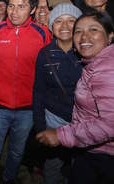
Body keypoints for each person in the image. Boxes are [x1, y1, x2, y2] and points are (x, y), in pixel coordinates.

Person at [0, 0, 51, 184]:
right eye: (11, 6)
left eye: (21, 6)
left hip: (28, 110)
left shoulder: (43, 34)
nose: (14, 11)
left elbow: (47, 70)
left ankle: (9, 178)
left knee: (17, 152)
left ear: (33, 10)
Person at [36, 11, 114, 184]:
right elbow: (39, 91)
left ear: (110, 35)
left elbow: (110, 123)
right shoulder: (94, 63)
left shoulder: (107, 69)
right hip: (87, 144)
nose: (84, 36)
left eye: (93, 30)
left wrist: (63, 135)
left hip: (102, 154)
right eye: (79, 31)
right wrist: (41, 124)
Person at [33, 3, 82, 184]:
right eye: (59, 21)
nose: (65, 26)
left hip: (83, 121)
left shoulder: (88, 52)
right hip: (54, 118)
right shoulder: (44, 54)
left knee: (80, 166)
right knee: (53, 165)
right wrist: (40, 125)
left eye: (71, 21)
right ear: (52, 27)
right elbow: (38, 91)